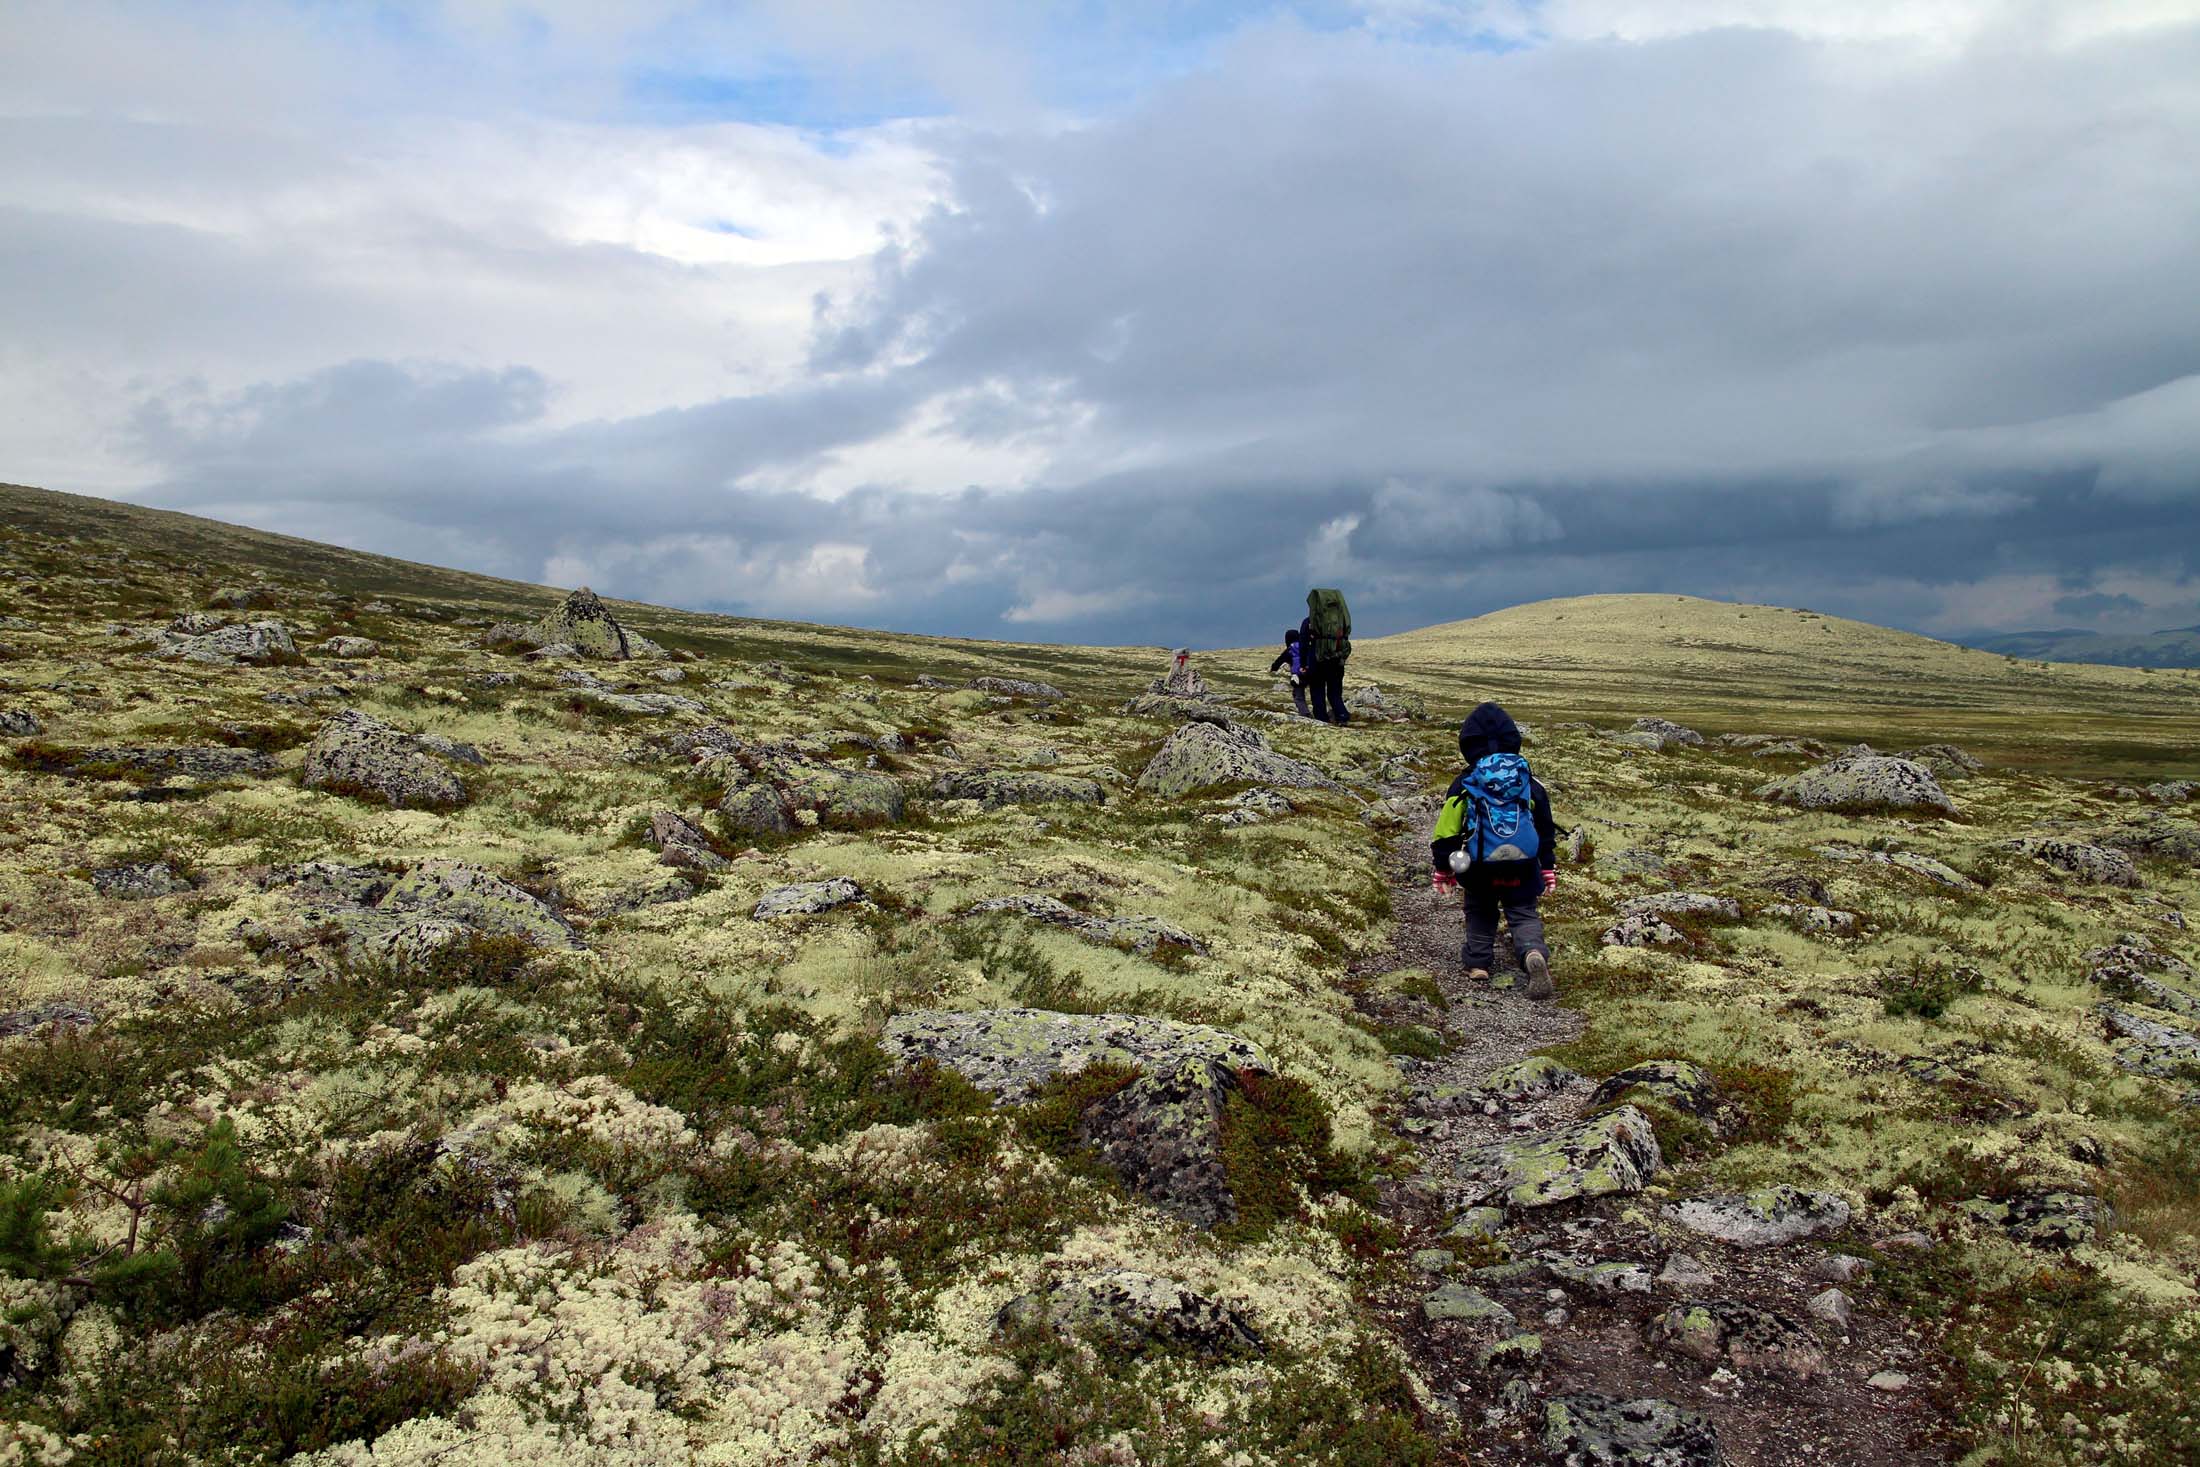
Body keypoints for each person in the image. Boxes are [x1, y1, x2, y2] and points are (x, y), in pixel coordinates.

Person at [1429, 702, 1558, 999]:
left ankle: (1478, 964)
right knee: (1523, 912)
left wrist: (1443, 869)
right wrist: (1547, 865)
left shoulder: (1464, 782)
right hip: (1524, 864)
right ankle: (1533, 954)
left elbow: (1446, 832)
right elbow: (1545, 827)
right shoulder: (1528, 780)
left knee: (1480, 910)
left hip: (1479, 866)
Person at [1267, 628, 1310, 717]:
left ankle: (1305, 714)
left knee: (1298, 696)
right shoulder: (1306, 646)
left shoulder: (1290, 649)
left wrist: (1273, 668)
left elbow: (1279, 661)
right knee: (1315, 694)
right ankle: (1321, 714)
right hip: (1311, 672)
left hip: (1298, 676)